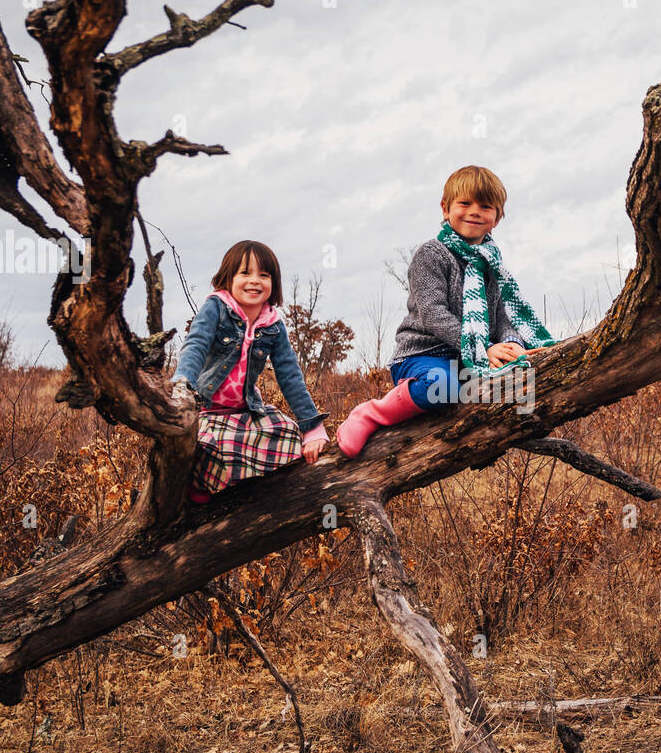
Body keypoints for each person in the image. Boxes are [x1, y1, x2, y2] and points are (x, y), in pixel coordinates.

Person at [336, 165, 557, 458]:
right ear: (445, 208)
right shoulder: (432, 254)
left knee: (523, 382)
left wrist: (511, 344)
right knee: (441, 386)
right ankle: (372, 414)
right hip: (424, 355)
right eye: (464, 203)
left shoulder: (493, 266)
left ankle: (485, 446)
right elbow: (433, 314)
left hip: (468, 359)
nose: (474, 212)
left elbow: (505, 315)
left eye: (485, 206)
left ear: (497, 218)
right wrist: (483, 348)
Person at [172, 240, 328, 502]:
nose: (254, 281)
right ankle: (198, 489)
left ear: (273, 283)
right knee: (207, 447)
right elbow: (196, 344)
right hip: (206, 411)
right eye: (245, 273)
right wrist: (182, 386)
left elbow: (289, 375)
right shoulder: (216, 309)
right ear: (229, 278)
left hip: (243, 413)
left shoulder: (273, 325)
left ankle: (241, 490)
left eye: (263, 275)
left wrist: (311, 427)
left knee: (288, 435)